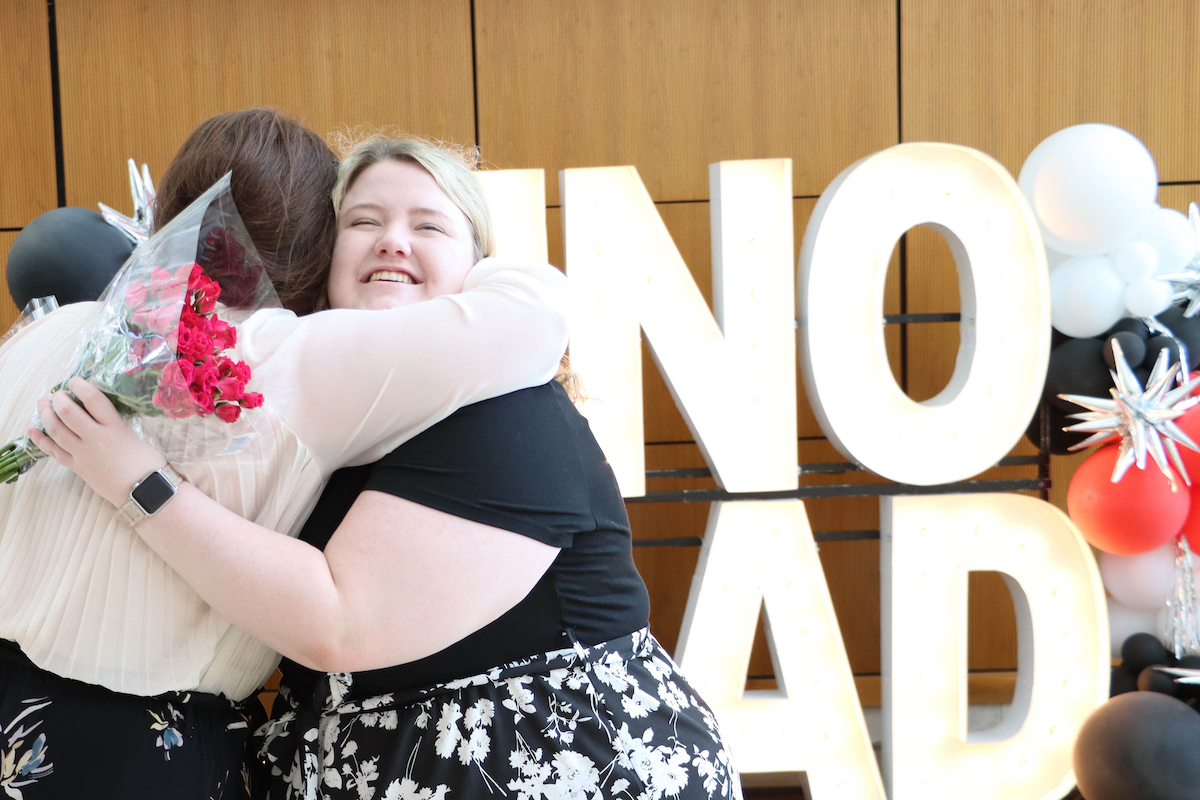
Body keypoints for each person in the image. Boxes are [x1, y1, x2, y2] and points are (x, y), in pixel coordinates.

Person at [33, 136, 743, 800]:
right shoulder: (312, 399)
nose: (392, 240)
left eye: (429, 227)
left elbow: (340, 624)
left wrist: (136, 481)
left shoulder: (506, 413)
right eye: (363, 221)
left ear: (481, 269)